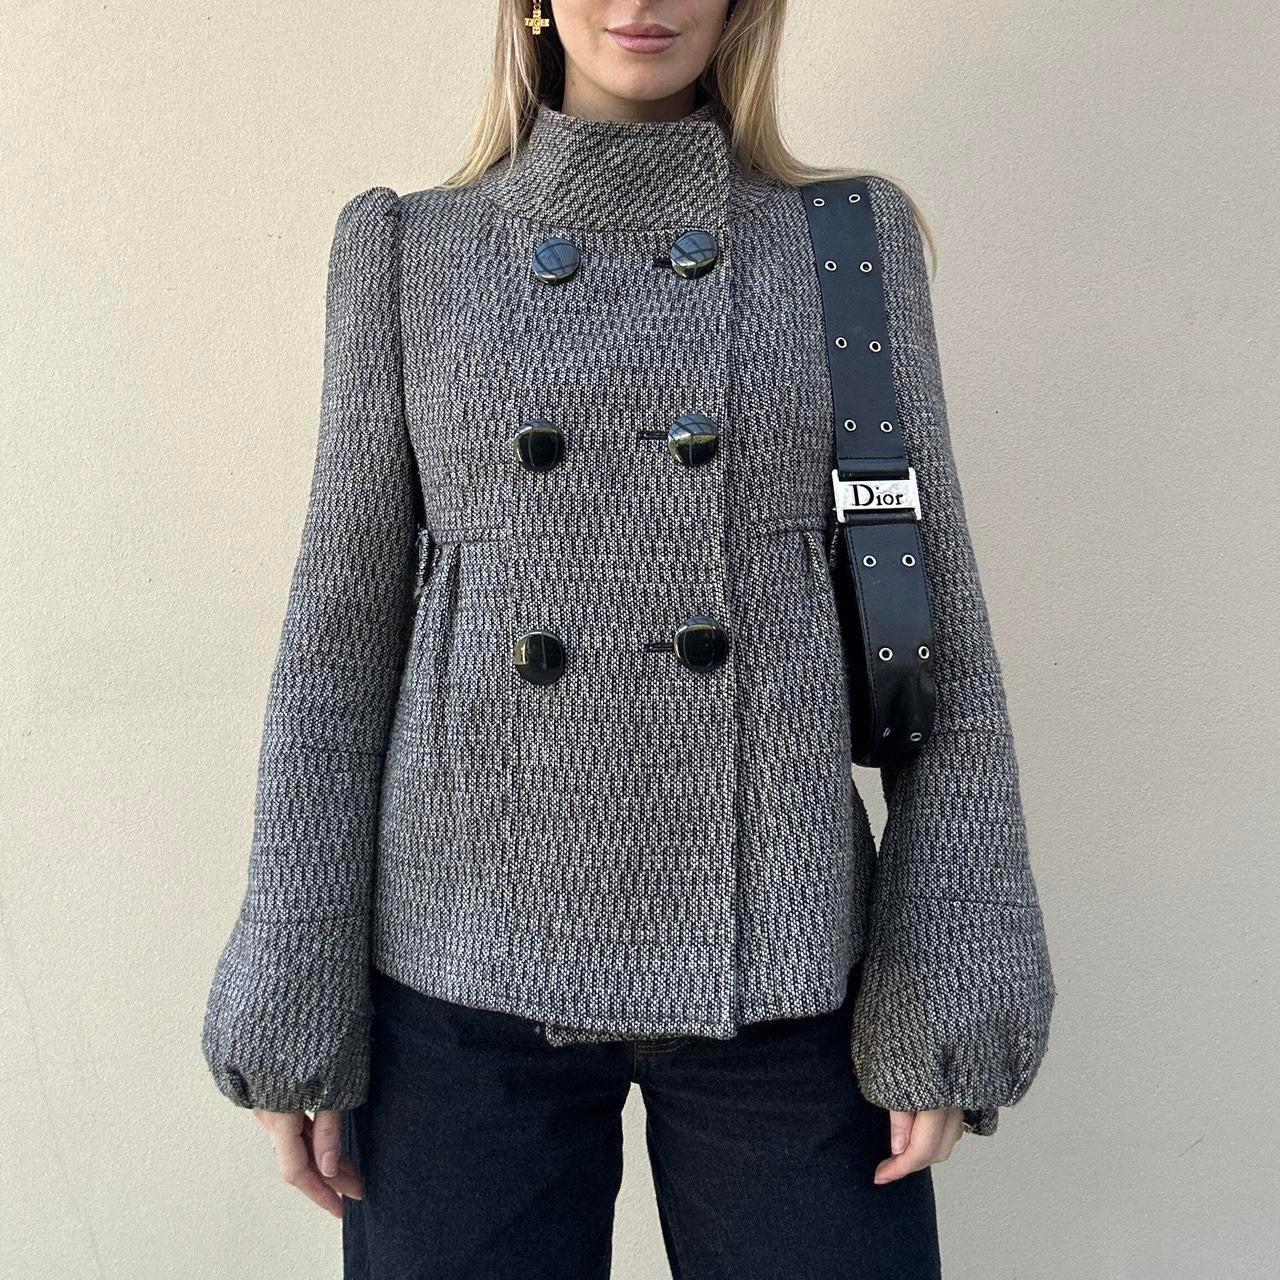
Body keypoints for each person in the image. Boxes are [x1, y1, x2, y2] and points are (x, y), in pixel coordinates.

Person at [200, 1, 1057, 1275]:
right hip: (463, 958)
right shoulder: (407, 250)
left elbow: (930, 631)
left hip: (782, 957)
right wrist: (293, 984)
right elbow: (337, 647)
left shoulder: (841, 245)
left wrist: (946, 963)